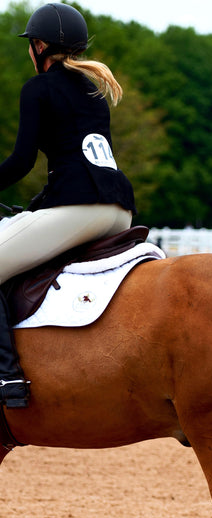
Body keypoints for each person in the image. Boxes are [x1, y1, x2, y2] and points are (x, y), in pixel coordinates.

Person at [0, 3, 136, 408]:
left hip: (81, 209)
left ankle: (6, 376)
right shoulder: (93, 88)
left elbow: (22, 161)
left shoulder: (38, 89)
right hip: (119, 210)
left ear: (38, 46)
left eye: (31, 44)